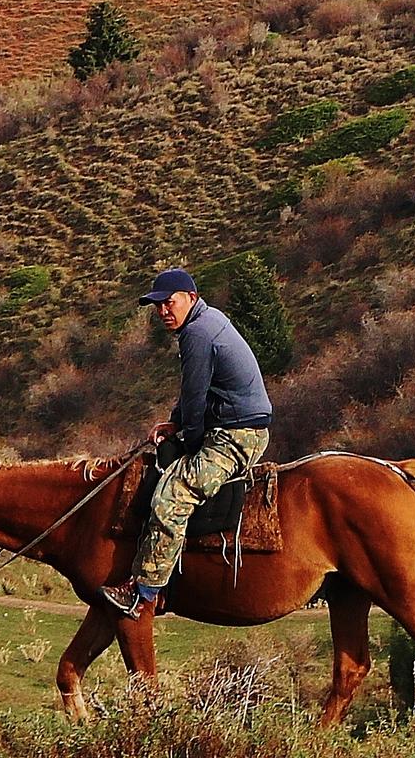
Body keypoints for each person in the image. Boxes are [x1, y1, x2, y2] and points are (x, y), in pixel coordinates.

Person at [99, 265, 272, 618]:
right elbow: (195, 393)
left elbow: (195, 399)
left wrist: (189, 439)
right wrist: (175, 423)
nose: (163, 311)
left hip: (237, 436)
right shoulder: (206, 322)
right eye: (157, 306)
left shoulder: (198, 333)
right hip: (231, 426)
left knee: (171, 496)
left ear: (190, 298)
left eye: (169, 302)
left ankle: (144, 592)